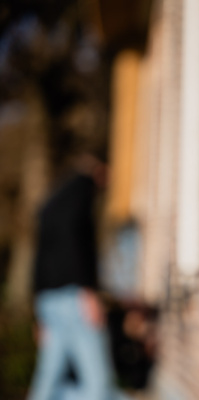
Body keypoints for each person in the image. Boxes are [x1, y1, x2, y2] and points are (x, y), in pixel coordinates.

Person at [28, 153, 115, 400]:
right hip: (74, 297)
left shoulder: (51, 202)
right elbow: (75, 244)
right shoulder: (82, 192)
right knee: (98, 384)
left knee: (47, 380)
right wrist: (87, 290)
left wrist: (38, 308)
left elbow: (40, 256)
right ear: (100, 169)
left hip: (48, 300)